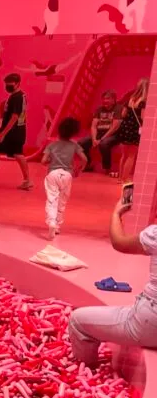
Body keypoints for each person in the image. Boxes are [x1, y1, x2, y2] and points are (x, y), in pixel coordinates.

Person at [68, 201, 157, 366]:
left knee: (77, 321)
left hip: (151, 321)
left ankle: (87, 372)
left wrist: (116, 214)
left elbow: (120, 242)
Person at [42, 118, 87, 240]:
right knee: (62, 201)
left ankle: (51, 221)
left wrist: (51, 161)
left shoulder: (51, 145)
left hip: (52, 174)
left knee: (52, 199)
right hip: (67, 175)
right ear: (74, 132)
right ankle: (57, 225)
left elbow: (43, 161)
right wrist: (78, 170)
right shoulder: (74, 146)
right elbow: (84, 159)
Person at [0, 73, 32, 190]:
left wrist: (3, 133)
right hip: (16, 130)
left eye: (10, 83)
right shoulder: (19, 96)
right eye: (6, 83)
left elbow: (14, 117)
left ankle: (27, 180)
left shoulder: (17, 97)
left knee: (17, 154)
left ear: (18, 83)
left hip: (12, 131)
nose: (8, 85)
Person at [110, 78, 148, 182]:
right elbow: (143, 118)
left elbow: (123, 114)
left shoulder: (130, 99)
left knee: (124, 155)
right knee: (131, 156)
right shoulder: (143, 102)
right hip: (134, 129)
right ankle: (125, 178)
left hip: (125, 128)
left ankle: (120, 178)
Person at [78, 90, 119, 173]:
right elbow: (93, 126)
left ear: (114, 100)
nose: (105, 101)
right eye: (104, 99)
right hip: (99, 134)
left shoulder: (118, 108)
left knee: (104, 144)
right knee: (81, 143)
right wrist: (94, 139)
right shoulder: (99, 109)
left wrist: (101, 139)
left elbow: (114, 127)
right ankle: (88, 164)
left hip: (113, 135)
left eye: (108, 99)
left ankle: (106, 168)